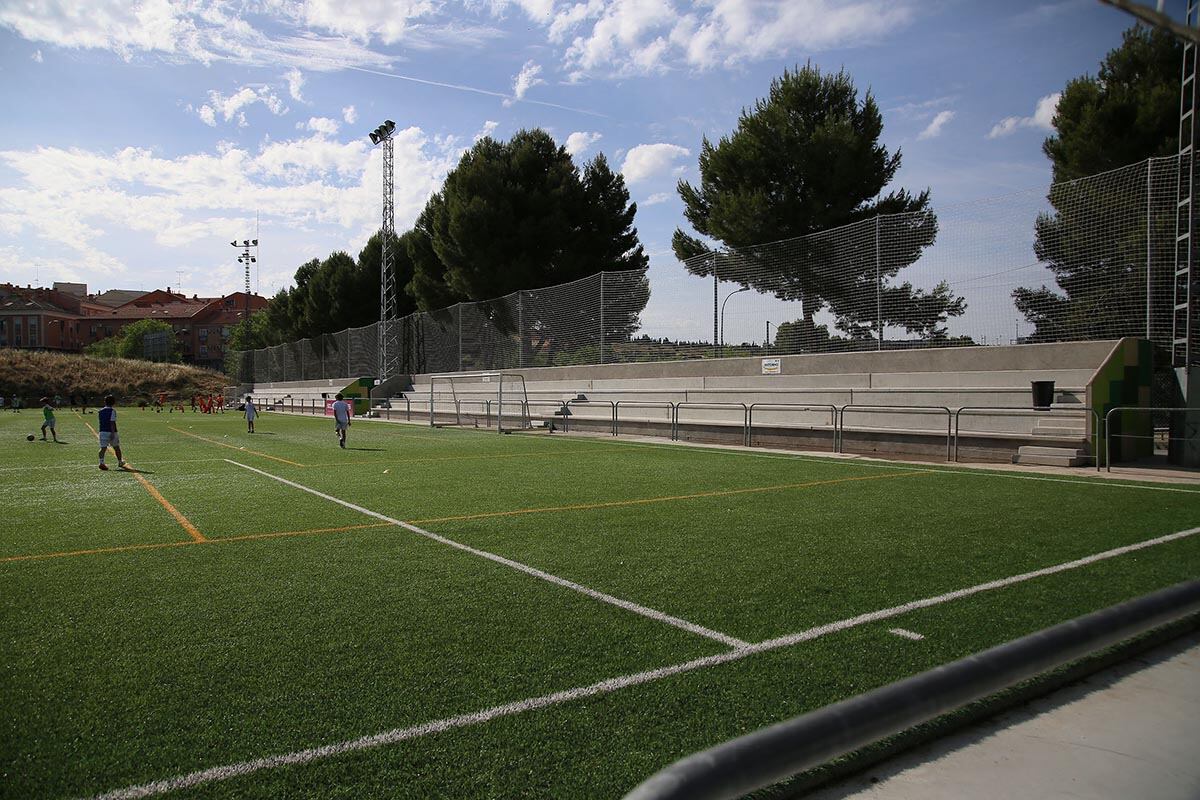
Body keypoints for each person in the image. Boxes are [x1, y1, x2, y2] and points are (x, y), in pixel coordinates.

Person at [97, 395, 126, 471]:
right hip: (111, 431)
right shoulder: (112, 411)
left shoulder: (100, 411)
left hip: (102, 431)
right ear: (113, 402)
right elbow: (112, 422)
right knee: (116, 447)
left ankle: (101, 462)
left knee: (103, 448)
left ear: (105, 402)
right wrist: (112, 433)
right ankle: (120, 462)